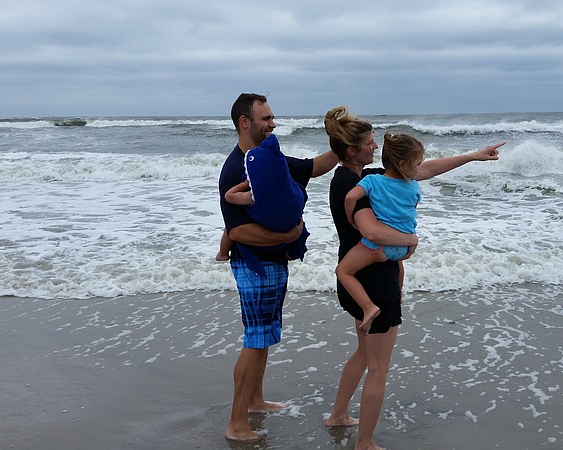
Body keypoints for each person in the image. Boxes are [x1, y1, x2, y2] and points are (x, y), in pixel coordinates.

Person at [323, 105, 504, 450]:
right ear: (352, 150)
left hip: (359, 277)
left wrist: (472, 156)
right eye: (369, 142)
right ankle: (365, 443)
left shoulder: (366, 178)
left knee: (363, 354)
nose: (374, 147)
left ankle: (338, 415)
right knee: (379, 368)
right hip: (374, 282)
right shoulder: (353, 182)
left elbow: (421, 171)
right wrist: (412, 240)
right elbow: (371, 230)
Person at [219, 93, 339, 442]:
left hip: (272, 262)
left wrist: (341, 142)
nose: (273, 123)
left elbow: (313, 167)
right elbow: (238, 231)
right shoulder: (235, 169)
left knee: (266, 336)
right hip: (253, 265)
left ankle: (254, 401)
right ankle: (236, 424)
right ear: (245, 122)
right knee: (255, 339)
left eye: (272, 117)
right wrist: (288, 233)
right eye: (266, 118)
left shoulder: (267, 158)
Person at [336, 133, 424, 334]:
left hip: (378, 247)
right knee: (398, 264)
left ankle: (368, 307)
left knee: (343, 271)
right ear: (402, 164)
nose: (419, 169)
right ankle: (398, 294)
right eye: (418, 164)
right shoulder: (414, 187)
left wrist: (351, 219)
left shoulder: (372, 181)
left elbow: (350, 198)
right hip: (403, 246)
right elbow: (412, 206)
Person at [216, 133, 308, 267]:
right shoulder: (286, 187)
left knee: (229, 228)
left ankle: (222, 254)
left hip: (266, 239)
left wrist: (248, 184)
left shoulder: (254, 195)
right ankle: (291, 252)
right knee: (299, 223)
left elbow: (229, 196)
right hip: (287, 231)